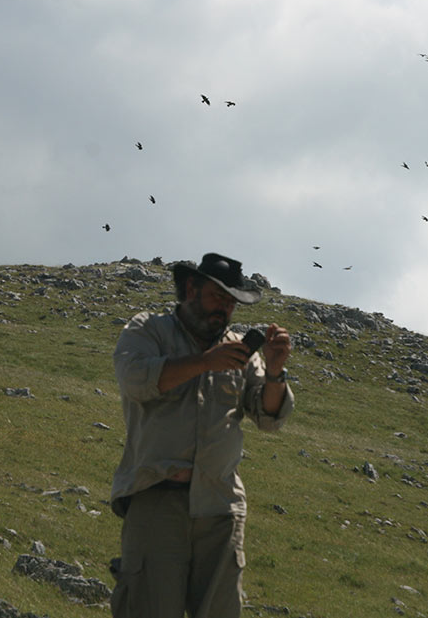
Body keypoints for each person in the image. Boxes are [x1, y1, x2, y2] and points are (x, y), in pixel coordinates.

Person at [109, 252, 295, 618]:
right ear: (191, 289)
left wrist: (275, 371)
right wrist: (205, 362)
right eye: (218, 297)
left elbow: (269, 417)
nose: (224, 309)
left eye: (232, 302)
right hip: (157, 501)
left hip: (221, 508)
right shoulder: (148, 330)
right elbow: (135, 379)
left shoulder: (241, 350)